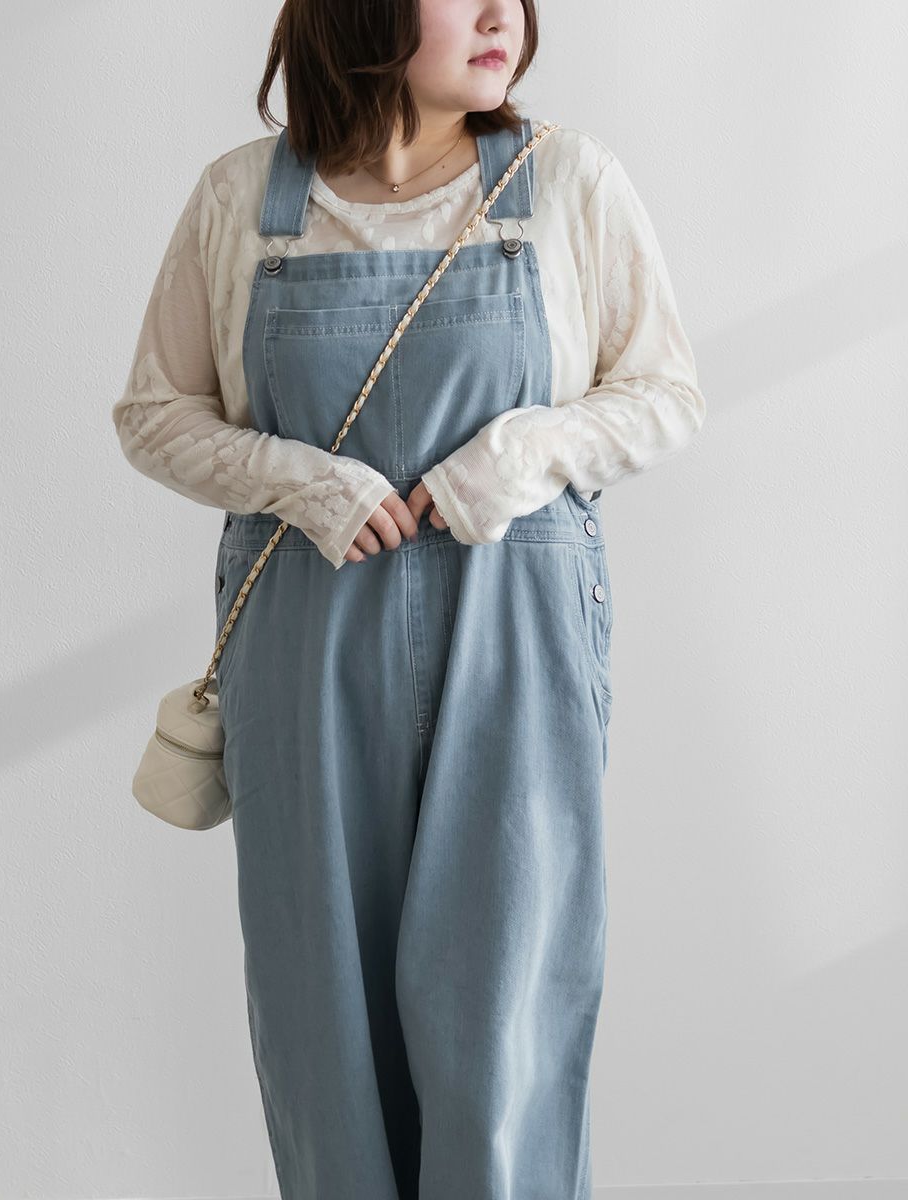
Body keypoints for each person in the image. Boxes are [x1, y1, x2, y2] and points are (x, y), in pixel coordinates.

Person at [112, 0, 706, 1195]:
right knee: (322, 1029)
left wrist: (522, 455)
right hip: (306, 649)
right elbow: (154, 414)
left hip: (516, 641)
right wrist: (302, 482)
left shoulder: (567, 184)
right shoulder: (244, 199)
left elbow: (663, 392)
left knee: (504, 1031)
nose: (500, 15)